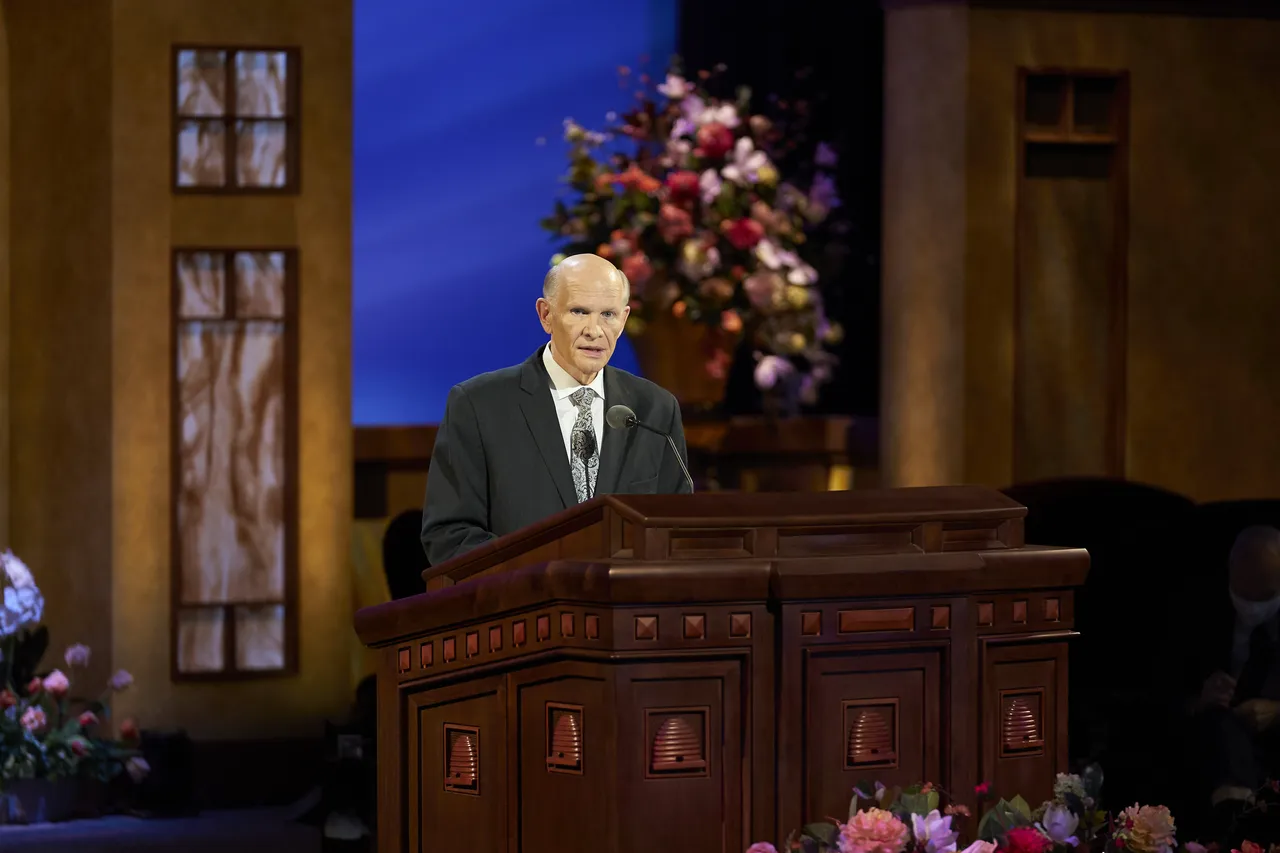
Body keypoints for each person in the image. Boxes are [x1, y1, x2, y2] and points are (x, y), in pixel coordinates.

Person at [420, 253, 693, 566]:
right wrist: (538, 576)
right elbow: (450, 535)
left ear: (624, 319)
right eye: (579, 311)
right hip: (523, 594)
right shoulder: (478, 405)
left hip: (628, 596)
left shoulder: (655, 409)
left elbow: (675, 528)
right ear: (546, 315)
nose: (594, 330)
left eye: (608, 314)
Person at [1191, 524, 1280, 841]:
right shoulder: (1198, 607)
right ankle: (1236, 820)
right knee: (1220, 726)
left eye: (1264, 596)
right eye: (1244, 595)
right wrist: (1199, 699)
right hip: (1215, 733)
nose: (1252, 606)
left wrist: (1277, 711)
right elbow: (1155, 689)